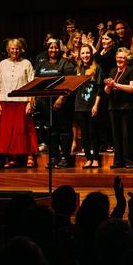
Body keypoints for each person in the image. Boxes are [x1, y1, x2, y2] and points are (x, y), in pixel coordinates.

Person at [0, 38, 38, 168]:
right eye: (12, 48)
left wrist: (31, 102)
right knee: (9, 132)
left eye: (17, 48)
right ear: (8, 50)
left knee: (24, 129)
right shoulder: (2, 64)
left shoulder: (26, 63)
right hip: (6, 102)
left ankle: (30, 156)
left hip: (22, 101)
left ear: (21, 49)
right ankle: (12, 157)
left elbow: (32, 84)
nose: (15, 51)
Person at [35, 38, 76, 168]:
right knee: (51, 130)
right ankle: (53, 157)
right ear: (47, 49)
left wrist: (60, 99)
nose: (53, 50)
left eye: (56, 47)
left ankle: (65, 157)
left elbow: (69, 82)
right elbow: (36, 81)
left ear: (60, 49)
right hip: (45, 104)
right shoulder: (42, 64)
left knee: (64, 130)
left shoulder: (66, 63)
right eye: (51, 48)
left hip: (62, 103)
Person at [104, 47, 133, 168]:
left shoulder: (131, 70)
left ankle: (129, 161)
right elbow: (107, 91)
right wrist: (108, 85)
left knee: (127, 134)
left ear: (127, 59)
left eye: (122, 57)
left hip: (126, 106)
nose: (120, 59)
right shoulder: (112, 71)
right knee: (116, 135)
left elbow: (132, 88)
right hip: (113, 106)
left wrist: (115, 84)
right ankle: (118, 161)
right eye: (118, 57)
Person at [74, 44, 102, 168]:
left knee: (93, 133)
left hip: (92, 106)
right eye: (83, 53)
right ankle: (88, 158)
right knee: (84, 134)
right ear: (80, 55)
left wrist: (96, 105)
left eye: (87, 53)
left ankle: (95, 158)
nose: (85, 55)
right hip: (79, 106)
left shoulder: (97, 68)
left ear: (91, 54)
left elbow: (99, 89)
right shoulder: (78, 69)